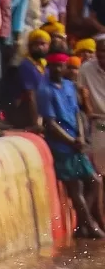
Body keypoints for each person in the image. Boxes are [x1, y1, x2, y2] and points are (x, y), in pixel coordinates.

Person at [37, 51, 103, 237]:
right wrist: (71, 141)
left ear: (66, 67)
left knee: (95, 182)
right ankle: (90, 226)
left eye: (61, 65)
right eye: (54, 66)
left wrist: (80, 136)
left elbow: (77, 114)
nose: (58, 69)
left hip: (76, 141)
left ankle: (82, 225)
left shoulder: (68, 86)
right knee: (76, 188)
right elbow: (50, 124)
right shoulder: (45, 90)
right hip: (62, 146)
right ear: (49, 67)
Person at [77, 34, 105, 172]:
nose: (103, 54)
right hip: (99, 121)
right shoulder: (86, 69)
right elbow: (82, 92)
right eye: (100, 50)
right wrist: (88, 108)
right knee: (101, 168)